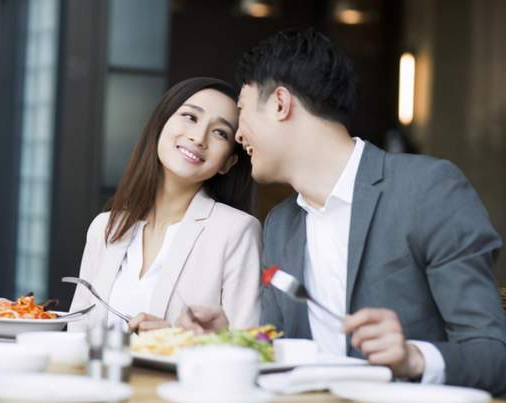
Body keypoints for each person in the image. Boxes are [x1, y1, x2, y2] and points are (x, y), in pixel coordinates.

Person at [178, 28, 506, 395]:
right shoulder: (281, 225)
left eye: (242, 110)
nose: (239, 135)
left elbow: (493, 355)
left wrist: (412, 358)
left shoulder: (427, 190)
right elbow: (281, 345)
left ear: (280, 103)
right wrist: (230, 340)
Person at [67, 77, 261, 333]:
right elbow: (77, 331)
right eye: (191, 117)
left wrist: (173, 340)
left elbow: (248, 345)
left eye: (220, 133)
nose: (199, 137)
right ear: (160, 124)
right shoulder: (105, 227)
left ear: (228, 162)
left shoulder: (237, 231)